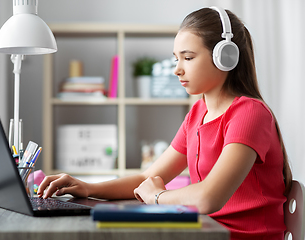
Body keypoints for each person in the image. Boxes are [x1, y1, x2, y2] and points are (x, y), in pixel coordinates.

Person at [38, 7, 292, 240]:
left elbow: (208, 198)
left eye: (188, 58)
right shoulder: (197, 114)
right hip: (206, 232)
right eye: (176, 59)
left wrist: (156, 196)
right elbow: (149, 176)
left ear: (225, 57)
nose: (177, 70)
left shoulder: (250, 114)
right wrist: (87, 187)